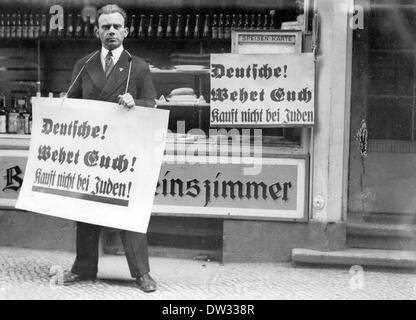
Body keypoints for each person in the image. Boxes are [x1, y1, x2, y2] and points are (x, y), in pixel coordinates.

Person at [60, 4, 157, 292]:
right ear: (97, 31)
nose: (111, 31)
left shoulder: (137, 66)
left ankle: (142, 273)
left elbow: (152, 104)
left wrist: (134, 103)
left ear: (126, 31)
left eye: (116, 26)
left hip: (125, 153)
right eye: (106, 26)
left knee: (129, 212)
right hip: (91, 152)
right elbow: (71, 105)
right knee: (87, 210)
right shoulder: (84, 64)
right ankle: (84, 268)